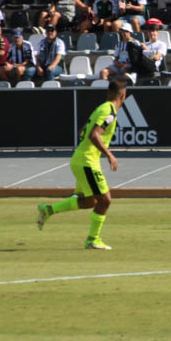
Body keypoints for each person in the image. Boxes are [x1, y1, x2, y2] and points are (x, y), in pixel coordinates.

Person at [36, 80, 127, 251]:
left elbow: (82, 131)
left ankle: (48, 210)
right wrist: (109, 155)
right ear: (123, 95)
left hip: (81, 159)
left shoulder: (101, 108)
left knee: (89, 202)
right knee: (105, 201)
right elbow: (94, 135)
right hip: (87, 161)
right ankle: (93, 240)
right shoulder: (110, 112)